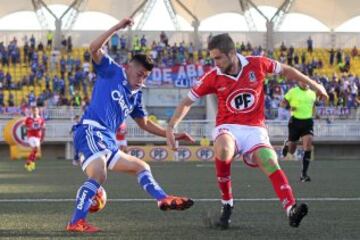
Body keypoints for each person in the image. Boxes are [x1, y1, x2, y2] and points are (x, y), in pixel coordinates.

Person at [166, 33, 328, 229]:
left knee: (269, 159)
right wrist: (171, 127)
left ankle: (291, 208)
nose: (215, 62)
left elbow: (286, 70)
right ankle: (227, 204)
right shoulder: (212, 77)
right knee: (224, 147)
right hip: (228, 127)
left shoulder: (257, 64)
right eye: (213, 58)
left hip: (255, 129)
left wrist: (315, 84)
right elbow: (187, 101)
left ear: (232, 53)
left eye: (218, 57)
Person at [66, 17, 195, 233]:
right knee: (99, 174)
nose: (141, 79)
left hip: (108, 140)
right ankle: (75, 222)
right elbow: (93, 48)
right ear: (128, 68)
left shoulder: (136, 95)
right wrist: (117, 27)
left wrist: (168, 134)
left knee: (142, 167)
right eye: (139, 74)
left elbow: (144, 123)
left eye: (145, 76)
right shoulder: (112, 70)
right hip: (90, 130)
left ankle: (163, 199)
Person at [280, 81, 317, 182]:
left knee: (308, 146)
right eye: (302, 81)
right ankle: (287, 144)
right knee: (291, 151)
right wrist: (289, 107)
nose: (305, 83)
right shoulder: (292, 92)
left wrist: (314, 114)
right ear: (299, 82)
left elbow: (313, 106)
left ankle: (304, 174)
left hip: (307, 122)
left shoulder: (312, 93)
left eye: (306, 81)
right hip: (295, 121)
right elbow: (282, 103)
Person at [24, 106, 45, 171]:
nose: (35, 111)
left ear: (38, 111)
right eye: (33, 110)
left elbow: (43, 128)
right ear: (31, 111)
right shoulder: (28, 118)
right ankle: (29, 161)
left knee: (35, 150)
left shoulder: (41, 119)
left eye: (36, 110)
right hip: (31, 136)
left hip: (38, 136)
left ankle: (30, 162)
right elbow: (25, 126)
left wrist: (43, 137)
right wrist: (29, 128)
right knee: (35, 148)